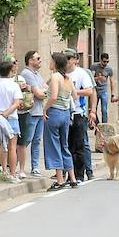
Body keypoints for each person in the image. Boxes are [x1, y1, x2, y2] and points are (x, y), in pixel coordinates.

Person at [43, 52, 77, 190]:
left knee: (53, 145)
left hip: (54, 112)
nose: (49, 63)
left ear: (55, 63)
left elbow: (53, 96)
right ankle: (72, 177)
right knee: (64, 145)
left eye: (51, 61)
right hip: (65, 113)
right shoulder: (67, 78)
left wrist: (45, 109)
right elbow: (74, 96)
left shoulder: (55, 77)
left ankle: (60, 179)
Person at [0, 58, 23, 181]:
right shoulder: (13, 85)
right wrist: (6, 113)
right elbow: (16, 103)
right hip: (11, 118)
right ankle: (12, 174)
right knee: (12, 147)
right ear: (9, 71)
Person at [67, 52, 97, 182]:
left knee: (79, 145)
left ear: (75, 60)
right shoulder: (61, 73)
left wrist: (74, 92)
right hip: (64, 112)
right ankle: (69, 174)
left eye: (68, 58)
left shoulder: (81, 74)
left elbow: (90, 91)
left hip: (79, 112)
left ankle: (80, 174)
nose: (66, 61)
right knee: (67, 145)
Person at [18, 50, 47, 175]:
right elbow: (40, 94)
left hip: (39, 111)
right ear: (31, 61)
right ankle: (15, 164)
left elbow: (44, 88)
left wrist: (43, 91)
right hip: (31, 111)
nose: (40, 60)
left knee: (37, 140)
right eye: (38, 58)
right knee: (26, 140)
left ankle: (35, 166)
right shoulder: (27, 73)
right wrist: (44, 92)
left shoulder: (37, 74)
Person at [93, 52, 113, 124]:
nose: (106, 63)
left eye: (107, 62)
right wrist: (98, 78)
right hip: (95, 90)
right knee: (93, 109)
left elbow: (112, 81)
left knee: (104, 110)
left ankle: (104, 125)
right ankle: (97, 125)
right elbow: (90, 79)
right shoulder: (94, 66)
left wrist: (112, 94)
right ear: (100, 60)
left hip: (104, 90)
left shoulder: (109, 69)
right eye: (104, 61)